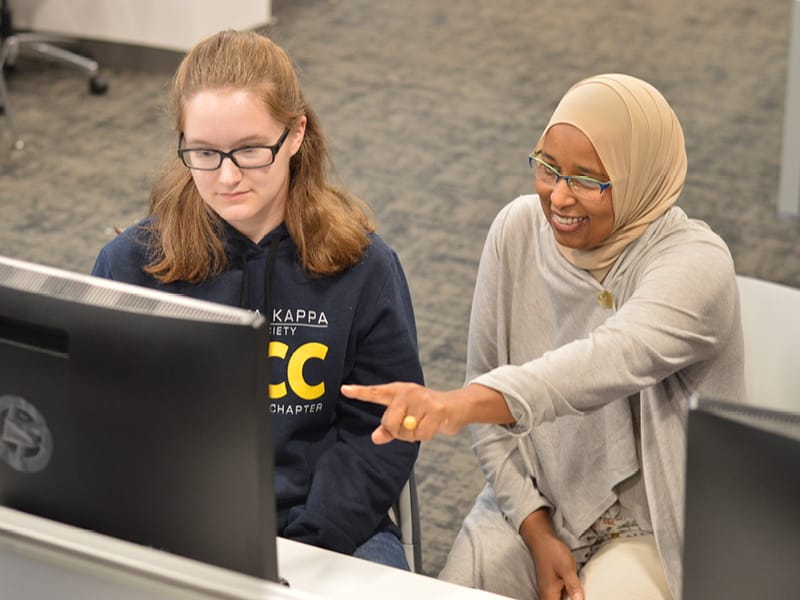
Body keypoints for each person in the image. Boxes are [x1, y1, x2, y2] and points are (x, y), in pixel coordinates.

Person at [342, 73, 745, 598]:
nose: (558, 195)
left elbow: (605, 360)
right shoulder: (516, 231)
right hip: (537, 503)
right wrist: (535, 529)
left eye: (586, 179)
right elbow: (492, 426)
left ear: (638, 177)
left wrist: (460, 404)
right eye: (548, 167)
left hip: (656, 525)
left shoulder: (697, 265)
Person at [91, 30, 423, 569]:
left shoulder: (363, 267)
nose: (226, 176)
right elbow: (100, 427)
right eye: (203, 152)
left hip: (329, 530)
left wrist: (310, 543)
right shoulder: (130, 265)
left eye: (249, 150)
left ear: (296, 134)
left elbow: (383, 433)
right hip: (171, 531)